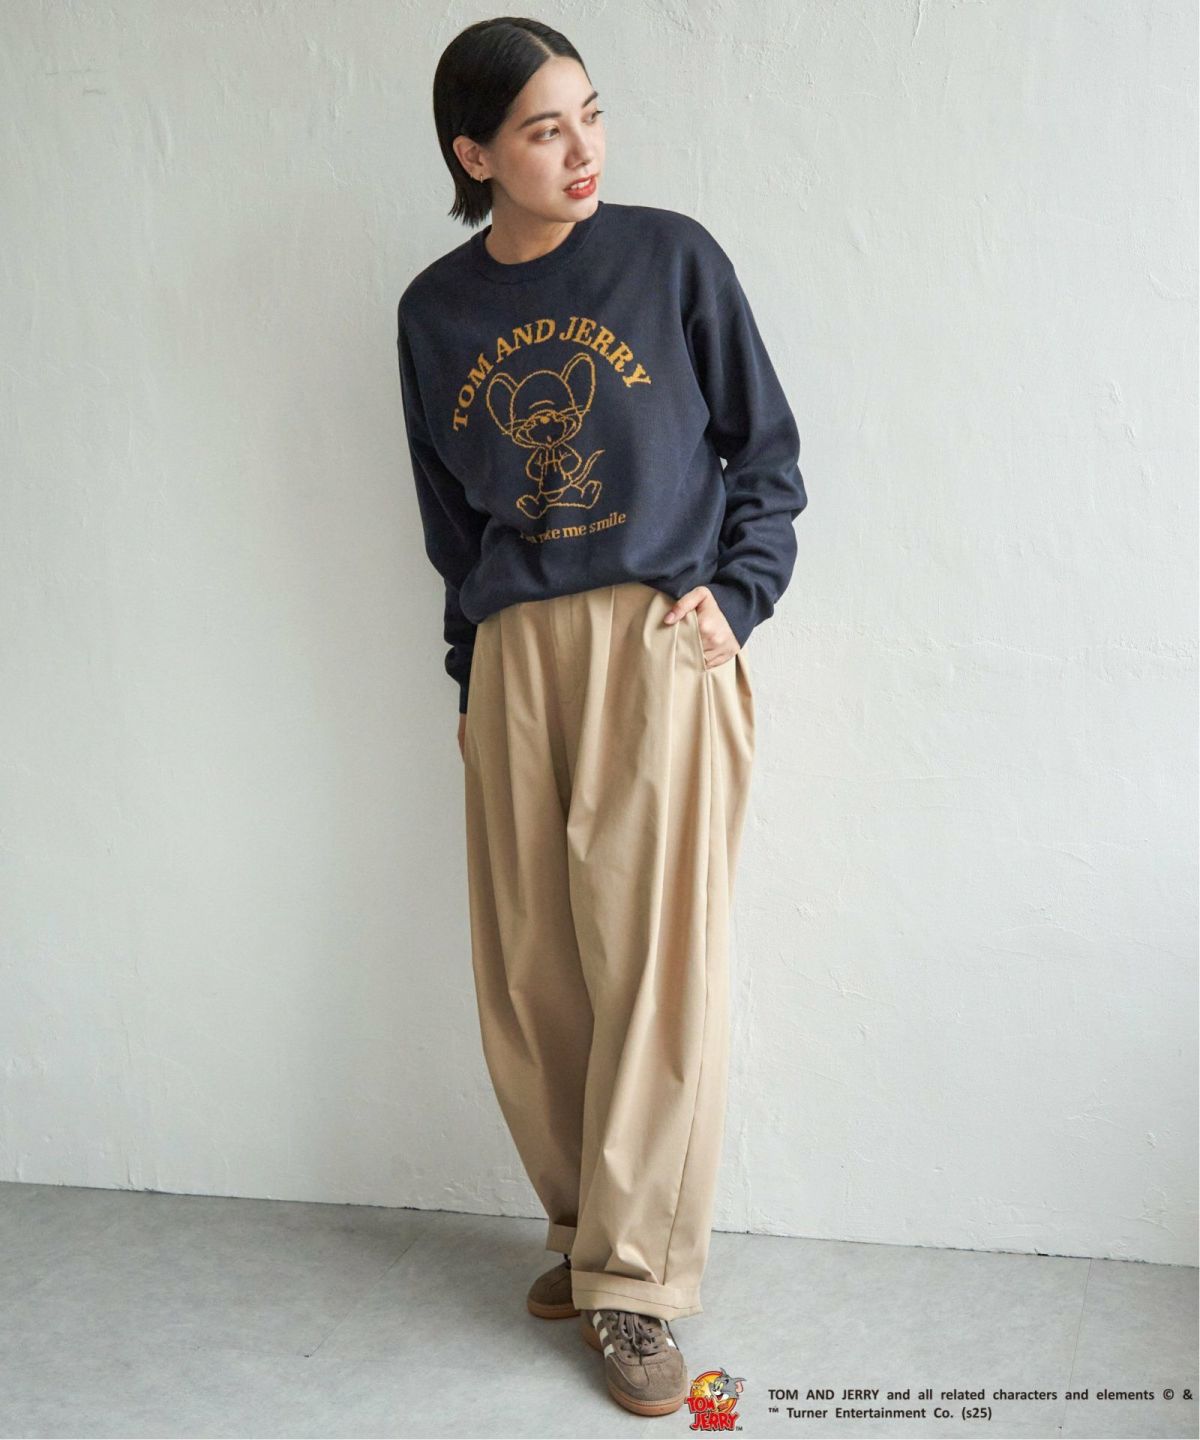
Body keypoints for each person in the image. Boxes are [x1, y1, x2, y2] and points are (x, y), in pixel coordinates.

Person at [395, 16, 807, 1419]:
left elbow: (766, 452)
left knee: (653, 966)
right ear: (475, 156)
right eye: (543, 129)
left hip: (656, 636)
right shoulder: (434, 311)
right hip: (516, 650)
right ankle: (583, 1237)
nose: (583, 151)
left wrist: (737, 599)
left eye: (590, 114)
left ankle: (638, 1283)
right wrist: (474, 667)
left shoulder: (669, 259)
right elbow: (449, 517)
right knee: (531, 975)